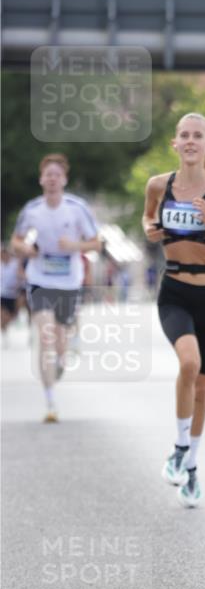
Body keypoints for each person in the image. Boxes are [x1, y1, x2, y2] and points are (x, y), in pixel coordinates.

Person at [142, 112, 205, 508]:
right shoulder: (158, 185)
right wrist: (149, 227)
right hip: (175, 291)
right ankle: (180, 447)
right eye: (184, 135)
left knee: (203, 386)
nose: (191, 141)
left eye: (198, 135)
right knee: (189, 363)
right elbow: (148, 215)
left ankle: (192, 465)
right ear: (175, 143)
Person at [10, 154, 101, 422]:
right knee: (45, 336)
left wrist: (74, 246)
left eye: (57, 175)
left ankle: (60, 362)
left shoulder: (77, 208)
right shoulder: (32, 209)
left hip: (68, 281)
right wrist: (26, 249)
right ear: (41, 179)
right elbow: (16, 240)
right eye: (48, 174)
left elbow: (96, 243)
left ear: (64, 180)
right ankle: (50, 402)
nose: (52, 179)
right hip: (40, 280)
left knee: (60, 341)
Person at [1, 244, 25, 344]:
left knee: (11, 317)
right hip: (2, 294)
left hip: (14, 294)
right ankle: (4, 333)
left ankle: (6, 326)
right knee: (2, 315)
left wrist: (18, 284)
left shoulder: (15, 264)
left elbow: (22, 276)